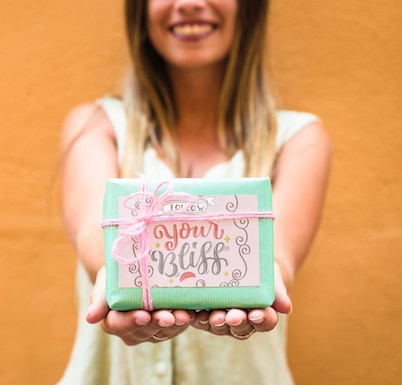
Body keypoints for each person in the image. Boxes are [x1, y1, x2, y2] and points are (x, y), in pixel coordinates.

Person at [57, 0, 331, 384]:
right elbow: (92, 229)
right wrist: (110, 274)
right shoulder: (95, 127)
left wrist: (271, 277)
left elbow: (278, 253)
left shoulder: (298, 140)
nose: (188, 3)